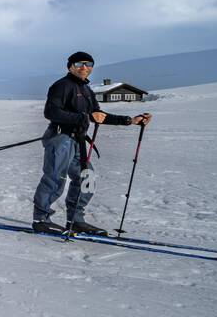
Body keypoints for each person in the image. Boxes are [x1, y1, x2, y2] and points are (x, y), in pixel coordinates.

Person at [32, 51, 151, 235]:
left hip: (78, 140)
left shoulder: (86, 90)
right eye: (79, 64)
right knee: (55, 179)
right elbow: (51, 113)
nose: (84, 67)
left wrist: (131, 120)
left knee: (88, 178)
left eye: (88, 64)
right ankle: (41, 219)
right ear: (70, 66)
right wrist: (85, 116)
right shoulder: (62, 86)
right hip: (60, 138)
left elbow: (98, 115)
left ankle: (76, 219)